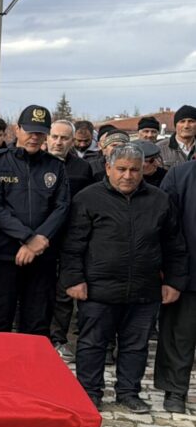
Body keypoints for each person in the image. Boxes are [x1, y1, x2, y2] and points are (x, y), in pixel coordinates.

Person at [61, 144, 186, 412]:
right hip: (97, 289)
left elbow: (174, 246)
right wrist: (73, 279)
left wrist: (173, 281)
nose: (127, 176)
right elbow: (72, 244)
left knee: (136, 345)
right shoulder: (87, 199)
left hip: (144, 290)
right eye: (121, 169)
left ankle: (128, 392)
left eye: (134, 170)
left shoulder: (160, 200)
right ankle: (89, 391)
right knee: (92, 343)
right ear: (108, 168)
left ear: (144, 171)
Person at [0, 105, 70, 336]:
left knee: (37, 323)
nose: (34, 137)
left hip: (42, 256)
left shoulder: (55, 166)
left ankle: (31, 370)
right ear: (17, 129)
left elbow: (61, 206)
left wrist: (39, 241)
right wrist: (27, 238)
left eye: (40, 133)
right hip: (4, 255)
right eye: (29, 131)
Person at [47, 119, 95, 358]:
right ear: (47, 137)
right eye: (54, 136)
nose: (58, 142)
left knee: (64, 291)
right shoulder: (36, 162)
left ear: (72, 141)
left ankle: (58, 338)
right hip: (38, 237)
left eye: (64, 138)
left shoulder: (81, 168)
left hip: (69, 238)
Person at [157, 158, 196, 413]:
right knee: (179, 336)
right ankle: (175, 391)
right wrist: (168, 272)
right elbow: (165, 227)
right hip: (188, 273)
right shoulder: (179, 175)